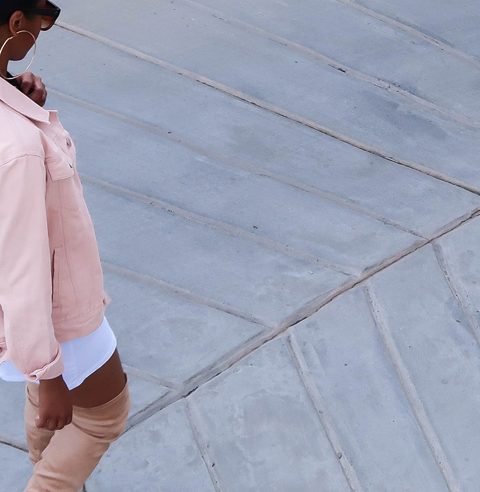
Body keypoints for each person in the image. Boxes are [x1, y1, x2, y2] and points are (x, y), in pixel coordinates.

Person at [0, 1, 131, 490]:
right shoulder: (15, 146)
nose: (45, 26)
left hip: (24, 318)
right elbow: (21, 267)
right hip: (53, 313)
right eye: (43, 15)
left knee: (57, 419)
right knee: (102, 417)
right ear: (16, 23)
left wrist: (16, 99)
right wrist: (46, 371)